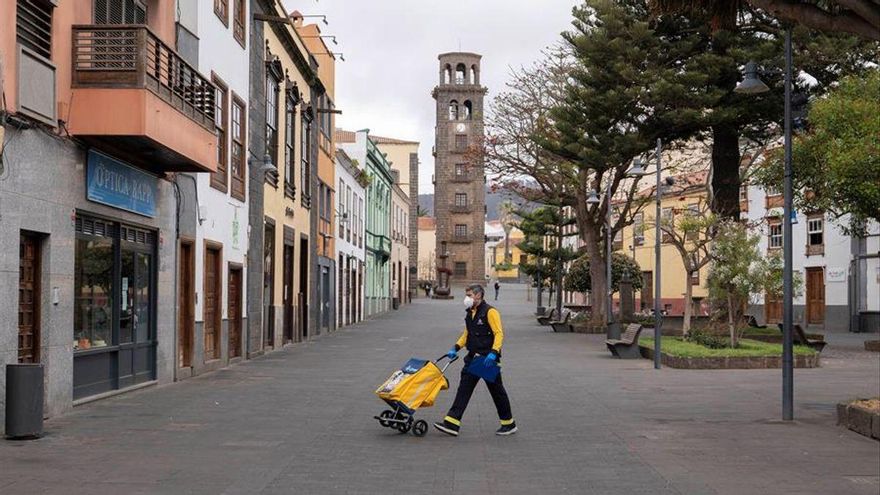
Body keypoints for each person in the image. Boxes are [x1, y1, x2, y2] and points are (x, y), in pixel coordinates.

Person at [434, 284, 516, 436]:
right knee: (464, 389)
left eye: (470, 295)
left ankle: (509, 423)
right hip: (473, 357)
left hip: (486, 359)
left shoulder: (490, 312)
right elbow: (467, 334)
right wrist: (456, 347)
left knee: (497, 391)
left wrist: (493, 352)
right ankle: (452, 423)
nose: (467, 298)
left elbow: (499, 334)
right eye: (467, 295)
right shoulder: (470, 313)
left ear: (479, 296)